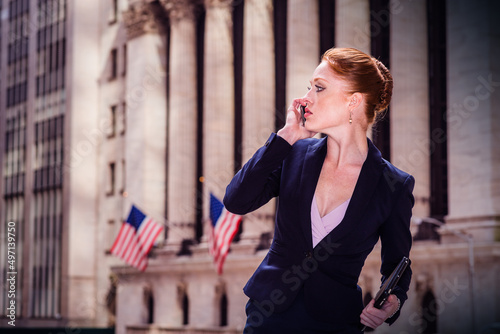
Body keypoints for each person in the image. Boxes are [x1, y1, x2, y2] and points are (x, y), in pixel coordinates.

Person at [224, 47, 414, 333]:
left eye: (319, 88)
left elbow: (398, 265)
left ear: (353, 101)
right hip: (268, 315)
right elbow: (236, 200)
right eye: (309, 87)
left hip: (335, 322)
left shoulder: (394, 185)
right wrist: (286, 136)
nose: (305, 99)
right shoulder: (293, 153)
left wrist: (393, 301)